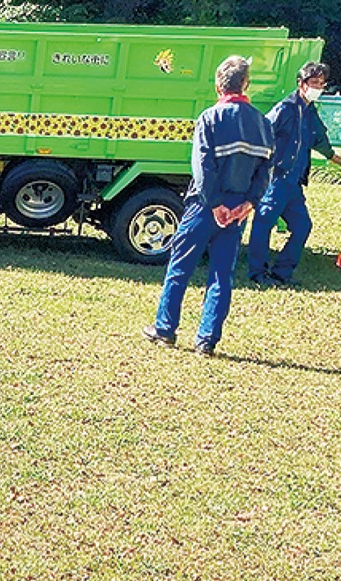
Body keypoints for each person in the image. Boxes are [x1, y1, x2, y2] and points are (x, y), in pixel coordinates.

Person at [143, 56, 274, 356]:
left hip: (205, 206)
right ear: (246, 84)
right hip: (238, 208)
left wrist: (214, 204)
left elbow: (203, 166)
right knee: (221, 275)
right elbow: (265, 170)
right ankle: (207, 341)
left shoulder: (210, 118)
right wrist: (248, 204)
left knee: (180, 267)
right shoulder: (263, 123)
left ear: (218, 85)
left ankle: (165, 329)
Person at [247, 61, 341, 288]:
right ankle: (257, 274)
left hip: (294, 183)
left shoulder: (310, 110)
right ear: (301, 83)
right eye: (314, 83)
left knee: (303, 226)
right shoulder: (285, 108)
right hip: (277, 179)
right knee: (263, 225)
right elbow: (262, 134)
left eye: (321, 84)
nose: (318, 88)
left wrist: (331, 155)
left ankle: (282, 273)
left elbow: (318, 136)